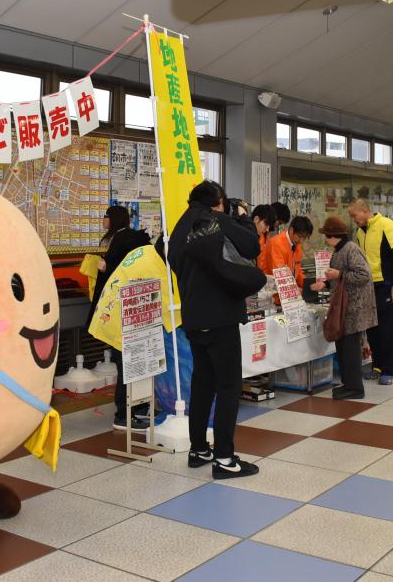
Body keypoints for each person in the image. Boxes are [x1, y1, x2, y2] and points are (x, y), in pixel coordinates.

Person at [168, 180, 260, 478]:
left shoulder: (180, 226)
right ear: (217, 202)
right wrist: (242, 217)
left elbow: (169, 256)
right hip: (221, 317)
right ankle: (224, 458)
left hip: (193, 317)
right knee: (229, 387)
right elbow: (251, 245)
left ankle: (199, 449)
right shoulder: (216, 219)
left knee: (203, 383)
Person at [86, 206, 152, 431]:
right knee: (140, 360)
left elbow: (114, 274)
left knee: (125, 361)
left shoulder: (121, 240)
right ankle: (139, 408)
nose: (102, 219)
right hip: (140, 307)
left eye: (105, 216)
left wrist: (103, 266)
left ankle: (123, 414)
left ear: (112, 219)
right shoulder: (137, 239)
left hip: (120, 311)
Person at [309, 217, 376, 399]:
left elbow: (364, 275)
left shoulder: (350, 249)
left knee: (350, 348)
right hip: (345, 306)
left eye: (326, 236)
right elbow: (339, 278)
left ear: (332, 236)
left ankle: (355, 388)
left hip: (354, 307)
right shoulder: (340, 250)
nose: (325, 240)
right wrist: (325, 284)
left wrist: (339, 274)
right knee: (343, 346)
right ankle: (348, 383)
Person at [348, 199, 393, 385]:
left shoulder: (387, 225)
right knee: (372, 328)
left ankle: (389, 370)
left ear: (365, 211)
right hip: (367, 287)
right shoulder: (359, 232)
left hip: (386, 285)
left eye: (354, 215)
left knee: (386, 328)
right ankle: (378, 366)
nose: (353, 220)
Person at [261, 216, 313, 289]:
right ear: (291, 230)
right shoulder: (276, 243)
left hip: (288, 292)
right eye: (299, 236)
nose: (301, 240)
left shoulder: (296, 244)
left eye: (304, 238)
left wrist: (308, 286)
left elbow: (297, 270)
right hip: (273, 293)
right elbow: (280, 274)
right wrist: (296, 289)